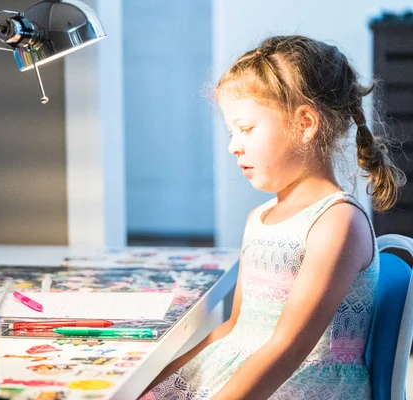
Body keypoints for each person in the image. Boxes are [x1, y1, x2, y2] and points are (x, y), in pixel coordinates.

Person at [140, 35, 407, 400]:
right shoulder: (260, 217)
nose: (234, 144)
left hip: (301, 386)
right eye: (231, 131)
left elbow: (288, 349)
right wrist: (152, 386)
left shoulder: (337, 223)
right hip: (246, 372)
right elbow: (232, 328)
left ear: (306, 123)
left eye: (246, 129)